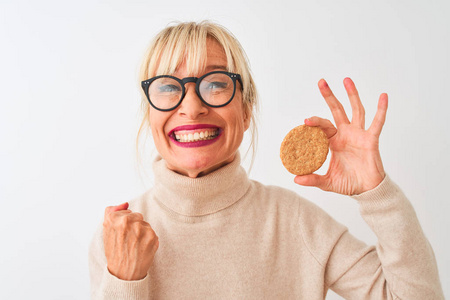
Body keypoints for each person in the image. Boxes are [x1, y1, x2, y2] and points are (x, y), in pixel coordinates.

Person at [89, 21, 444, 299]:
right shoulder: (119, 238)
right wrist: (124, 281)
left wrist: (377, 194)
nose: (192, 106)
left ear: (246, 111)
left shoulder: (297, 223)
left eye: (215, 83)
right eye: (167, 87)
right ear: (149, 114)